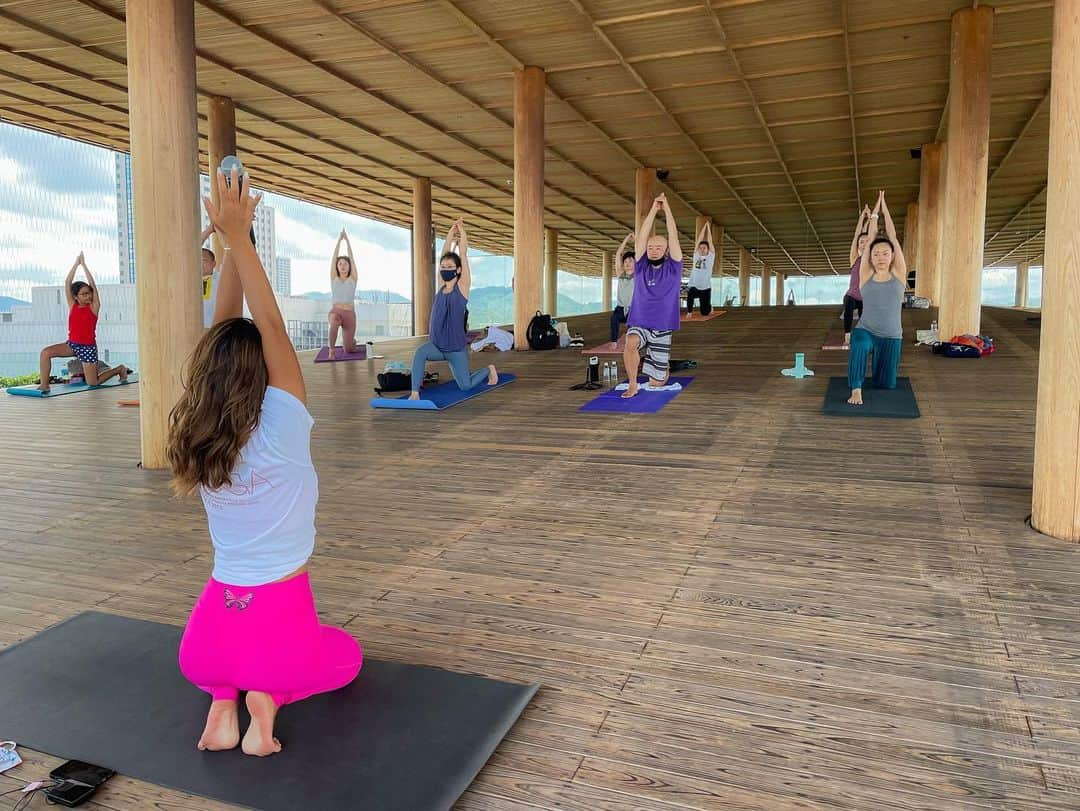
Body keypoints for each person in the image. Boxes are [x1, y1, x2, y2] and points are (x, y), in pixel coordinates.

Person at [171, 167, 362, 757]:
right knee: (343, 655)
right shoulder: (282, 421)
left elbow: (222, 328)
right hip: (278, 633)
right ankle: (265, 704)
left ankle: (224, 698)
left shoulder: (205, 434)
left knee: (220, 659)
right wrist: (240, 237)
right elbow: (269, 323)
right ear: (266, 375)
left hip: (203, 640)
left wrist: (235, 238)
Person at [408, 219, 498, 400]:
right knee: (420, 353)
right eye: (443, 267)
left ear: (458, 270)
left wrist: (462, 232)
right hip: (437, 346)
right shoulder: (441, 285)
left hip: (456, 349)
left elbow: (463, 255)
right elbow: (444, 252)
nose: (445, 269)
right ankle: (414, 393)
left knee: (465, 386)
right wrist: (450, 233)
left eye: (450, 267)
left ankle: (488, 369)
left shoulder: (462, 288)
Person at [37, 254, 129, 394]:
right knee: (45, 353)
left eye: (89, 294)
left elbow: (92, 285)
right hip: (72, 345)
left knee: (93, 382)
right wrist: (76, 264)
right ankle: (44, 385)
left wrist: (84, 265)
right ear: (76, 296)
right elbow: (67, 283)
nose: (88, 296)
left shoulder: (94, 307)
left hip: (88, 347)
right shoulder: (72, 305)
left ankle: (119, 369)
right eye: (84, 294)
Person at [847, 191, 907, 406]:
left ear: (892, 256)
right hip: (867, 329)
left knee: (886, 384)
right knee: (860, 344)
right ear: (869, 257)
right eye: (876, 254)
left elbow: (892, 236)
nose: (880, 257)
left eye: (885, 253)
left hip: (891, 335)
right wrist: (874, 214)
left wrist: (885, 208)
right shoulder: (865, 275)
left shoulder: (899, 273)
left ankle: (880, 376)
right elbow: (871, 239)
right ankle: (856, 388)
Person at [622, 193, 683, 399]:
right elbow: (643, 235)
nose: (653, 250)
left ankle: (661, 369)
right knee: (630, 342)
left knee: (657, 383)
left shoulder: (674, 267)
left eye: (658, 247)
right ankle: (632, 384)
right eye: (650, 247)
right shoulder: (640, 267)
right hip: (639, 320)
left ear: (666, 250)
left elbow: (673, 235)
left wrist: (666, 209)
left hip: (663, 325)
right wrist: (653, 211)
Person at [842, 206, 871, 345]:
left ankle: (863, 336)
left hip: (865, 296)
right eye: (861, 242)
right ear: (858, 246)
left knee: (864, 317)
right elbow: (857, 235)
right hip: (852, 295)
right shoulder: (855, 258)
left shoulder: (872, 259)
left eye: (867, 242)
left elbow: (871, 234)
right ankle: (847, 335)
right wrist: (862, 217)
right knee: (848, 303)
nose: (864, 244)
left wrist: (872, 219)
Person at [328, 230, 359, 354]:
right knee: (334, 321)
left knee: (349, 350)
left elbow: (351, 258)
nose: (342, 266)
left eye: (345, 264)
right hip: (336, 311)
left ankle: (351, 342)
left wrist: (347, 241)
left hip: (349, 314)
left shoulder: (353, 278)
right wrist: (339, 241)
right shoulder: (334, 277)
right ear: (337, 266)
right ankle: (331, 350)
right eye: (340, 264)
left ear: (349, 266)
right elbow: (334, 257)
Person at [609, 232, 635, 344]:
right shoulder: (620, 274)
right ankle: (614, 342)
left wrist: (637, 241)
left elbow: (641, 255)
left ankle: (631, 342)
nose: (627, 263)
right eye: (625, 261)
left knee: (632, 327)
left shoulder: (638, 275)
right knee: (613, 319)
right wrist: (627, 238)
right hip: (620, 309)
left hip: (633, 309)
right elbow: (618, 253)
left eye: (630, 261)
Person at [685, 221, 715, 316]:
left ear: (707, 249)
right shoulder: (696, 256)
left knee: (705, 313)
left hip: (706, 288)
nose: (702, 249)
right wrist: (703, 228)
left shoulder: (710, 256)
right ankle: (689, 312)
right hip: (695, 286)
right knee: (690, 294)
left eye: (704, 248)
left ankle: (709, 307)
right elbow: (698, 240)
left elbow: (710, 241)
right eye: (700, 248)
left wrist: (708, 228)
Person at [201, 224, 221, 328]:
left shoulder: (220, 278)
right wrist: (209, 230)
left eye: (204, 261)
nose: (200, 264)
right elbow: (189, 249)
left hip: (216, 331)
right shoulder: (189, 280)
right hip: (194, 331)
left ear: (214, 263)